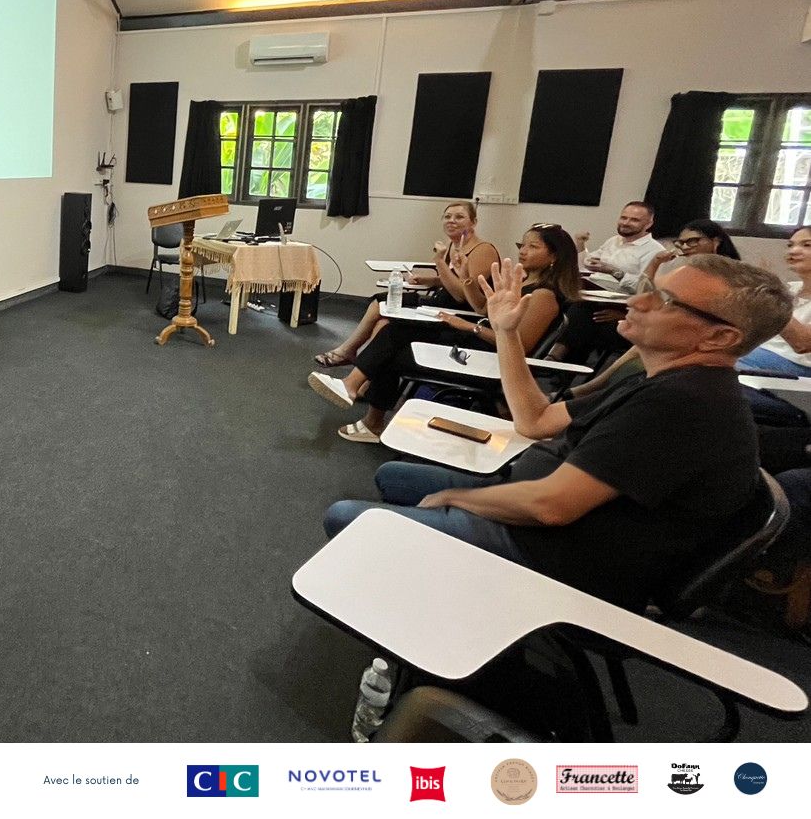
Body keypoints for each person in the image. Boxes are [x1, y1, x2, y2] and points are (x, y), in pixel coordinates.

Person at [322, 254, 793, 610]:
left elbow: (551, 507)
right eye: (650, 288)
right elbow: (536, 420)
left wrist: (455, 498)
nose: (636, 301)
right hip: (541, 509)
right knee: (394, 477)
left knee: (347, 516)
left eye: (665, 301)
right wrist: (507, 332)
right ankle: (425, 589)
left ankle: (440, 616)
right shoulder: (662, 379)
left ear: (720, 337)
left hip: (556, 556)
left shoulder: (684, 403)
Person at [310, 223, 578, 441]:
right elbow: (481, 308)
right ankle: (359, 398)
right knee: (395, 331)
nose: (523, 251)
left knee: (393, 347)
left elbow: (522, 346)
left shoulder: (543, 296)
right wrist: (466, 276)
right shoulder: (523, 284)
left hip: (486, 358)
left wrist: (469, 326)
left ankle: (366, 410)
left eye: (533, 246)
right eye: (523, 245)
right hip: (475, 343)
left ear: (554, 256)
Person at [314, 201, 500, 367]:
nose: (452, 221)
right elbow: (453, 280)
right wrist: (428, 280)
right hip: (442, 300)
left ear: (473, 222)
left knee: (382, 303)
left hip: (456, 311)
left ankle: (348, 352)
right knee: (383, 319)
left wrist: (439, 261)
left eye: (459, 217)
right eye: (447, 216)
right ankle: (364, 373)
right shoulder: (454, 244)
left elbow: (461, 294)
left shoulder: (482, 250)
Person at [552, 217, 741, 363]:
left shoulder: (726, 274)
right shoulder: (681, 266)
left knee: (588, 322)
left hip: (676, 331)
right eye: (681, 242)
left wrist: (625, 314)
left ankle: (564, 369)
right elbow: (646, 296)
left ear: (716, 241)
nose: (686, 247)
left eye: (693, 241)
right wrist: (655, 264)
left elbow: (676, 308)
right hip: (645, 317)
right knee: (582, 310)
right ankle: (562, 369)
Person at [737, 225, 811, 375]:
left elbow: (803, 344)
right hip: (761, 351)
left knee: (719, 365)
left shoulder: (778, 291)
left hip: (797, 364)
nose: (793, 251)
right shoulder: (791, 288)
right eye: (790, 245)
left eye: (807, 245)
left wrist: (770, 295)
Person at [576, 200, 665, 293]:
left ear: (649, 224)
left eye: (634, 220)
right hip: (592, 285)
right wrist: (580, 244)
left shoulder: (656, 251)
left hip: (618, 296)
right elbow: (585, 265)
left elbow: (647, 288)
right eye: (623, 218)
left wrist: (614, 272)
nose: (626, 223)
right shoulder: (614, 240)